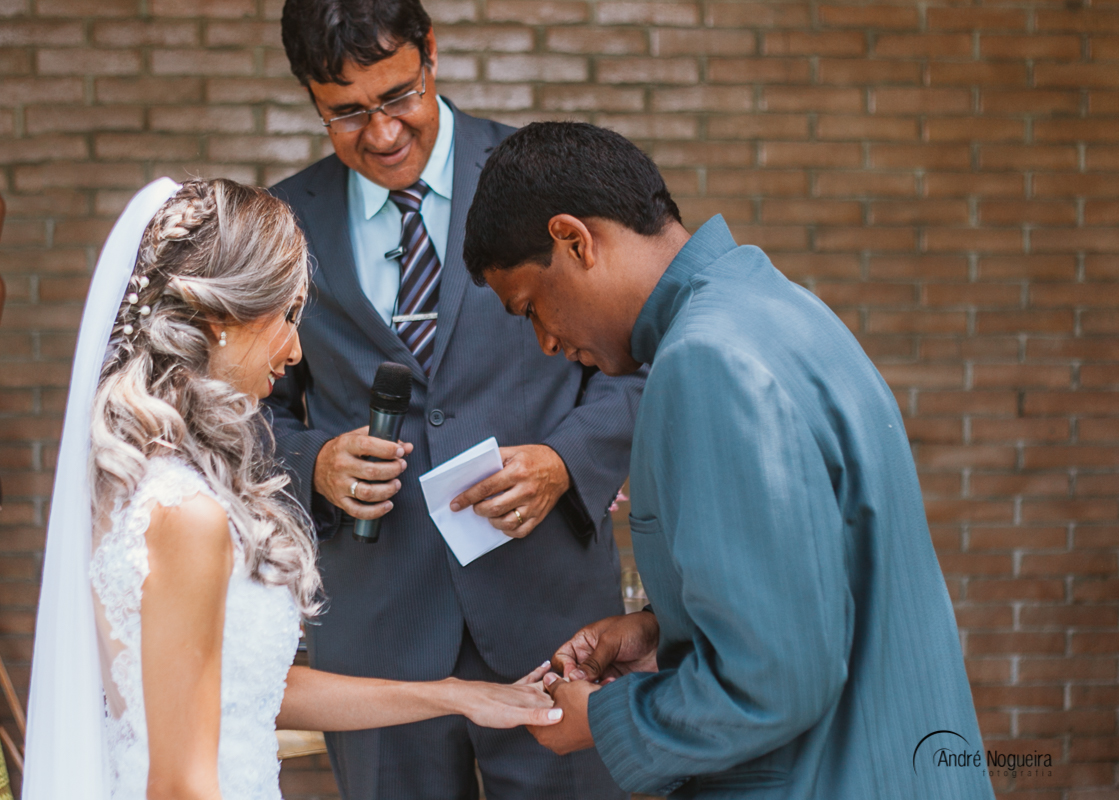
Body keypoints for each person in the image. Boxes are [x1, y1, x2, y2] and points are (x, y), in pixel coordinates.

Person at [462, 122, 997, 799]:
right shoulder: (778, 309)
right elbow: (816, 583)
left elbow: (775, 676)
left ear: (574, 241)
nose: (544, 341)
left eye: (531, 307)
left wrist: (604, 716)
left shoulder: (704, 362)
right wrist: (663, 629)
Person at [22, 178, 564, 800]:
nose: (295, 348)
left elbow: (243, 690)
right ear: (222, 317)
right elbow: (178, 785)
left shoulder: (145, 482)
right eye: (285, 315)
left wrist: (454, 696)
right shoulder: (184, 512)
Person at [266, 2, 641, 798]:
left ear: (431, 54)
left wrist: (564, 462)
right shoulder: (284, 222)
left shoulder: (539, 177)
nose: (382, 134)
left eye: (398, 96)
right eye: (347, 112)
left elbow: (637, 360)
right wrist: (313, 462)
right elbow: (242, 412)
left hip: (552, 622)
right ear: (308, 94)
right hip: (375, 641)